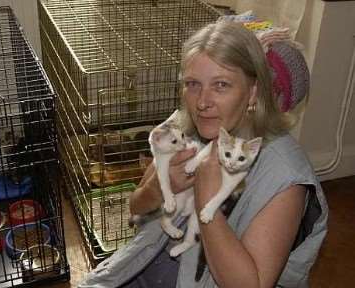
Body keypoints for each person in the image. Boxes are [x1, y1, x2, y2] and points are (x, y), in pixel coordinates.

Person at [79, 21, 328, 288]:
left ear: (253, 92)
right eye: (193, 84)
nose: (201, 102)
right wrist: (159, 188)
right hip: (142, 267)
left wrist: (206, 199)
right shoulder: (187, 125)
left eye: (221, 85)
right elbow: (135, 208)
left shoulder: (285, 177)